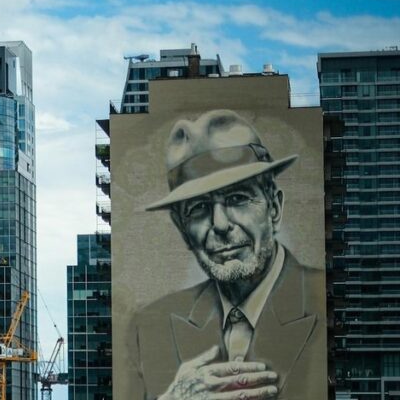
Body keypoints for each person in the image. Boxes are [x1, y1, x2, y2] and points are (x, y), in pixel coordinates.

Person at [120, 110, 326, 400]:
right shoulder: (148, 326)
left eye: (237, 199)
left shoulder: (328, 301)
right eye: (199, 208)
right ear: (182, 229)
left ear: (275, 209)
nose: (219, 224)